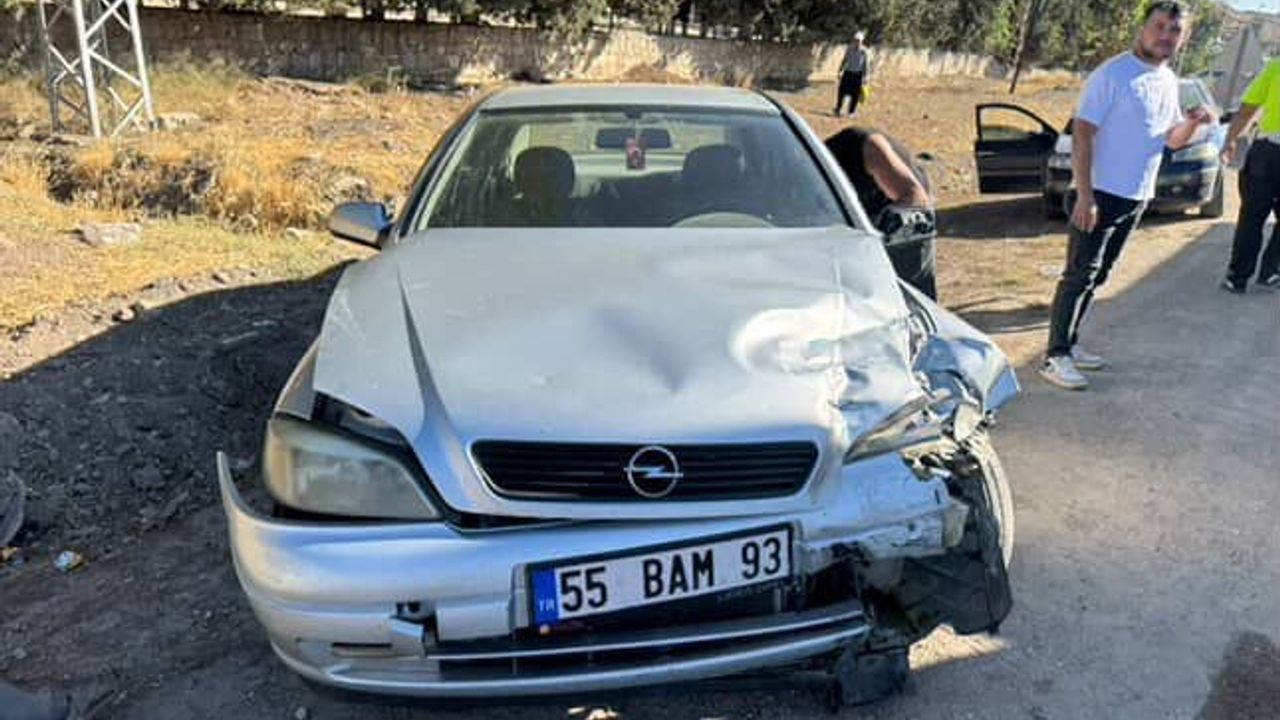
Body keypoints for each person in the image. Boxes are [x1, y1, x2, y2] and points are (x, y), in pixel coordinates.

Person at [1039, 0, 1214, 391]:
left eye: (1175, 30)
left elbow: (1171, 139)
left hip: (1135, 196)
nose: (1165, 36)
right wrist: (1085, 196)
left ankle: (1070, 343)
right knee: (1079, 275)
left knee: (1099, 275)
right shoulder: (1113, 73)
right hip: (1099, 192)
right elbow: (1082, 132)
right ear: (1143, 28)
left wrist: (1192, 122)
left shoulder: (1167, 79)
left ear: (1183, 39)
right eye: (1159, 26)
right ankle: (1055, 356)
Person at [825, 126, 937, 299]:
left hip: (906, 210)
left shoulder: (862, 147)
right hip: (868, 214)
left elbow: (914, 197)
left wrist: (878, 243)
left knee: (909, 293)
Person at [1220, 57, 1280, 294]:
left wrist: (1230, 140)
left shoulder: (1276, 66)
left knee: (1252, 217)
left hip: (1267, 152)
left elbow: (1247, 110)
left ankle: (1238, 277)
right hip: (1267, 153)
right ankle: (1271, 271)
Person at [834, 32, 870, 117]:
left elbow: (866, 65)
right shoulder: (849, 49)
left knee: (855, 94)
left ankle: (851, 112)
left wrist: (866, 76)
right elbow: (844, 60)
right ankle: (838, 109)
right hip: (848, 73)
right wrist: (840, 70)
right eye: (856, 40)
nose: (857, 42)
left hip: (858, 74)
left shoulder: (864, 51)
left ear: (862, 41)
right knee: (842, 91)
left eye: (859, 40)